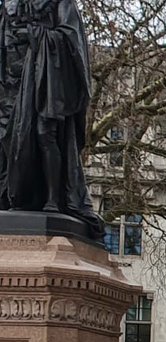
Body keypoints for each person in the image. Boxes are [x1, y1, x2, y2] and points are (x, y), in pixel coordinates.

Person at [0, 0, 104, 236]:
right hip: (11, 86)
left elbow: (70, 38)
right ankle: (15, 194)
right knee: (8, 142)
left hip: (46, 78)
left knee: (45, 133)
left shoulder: (60, 2)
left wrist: (37, 35)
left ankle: (53, 199)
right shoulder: (9, 5)